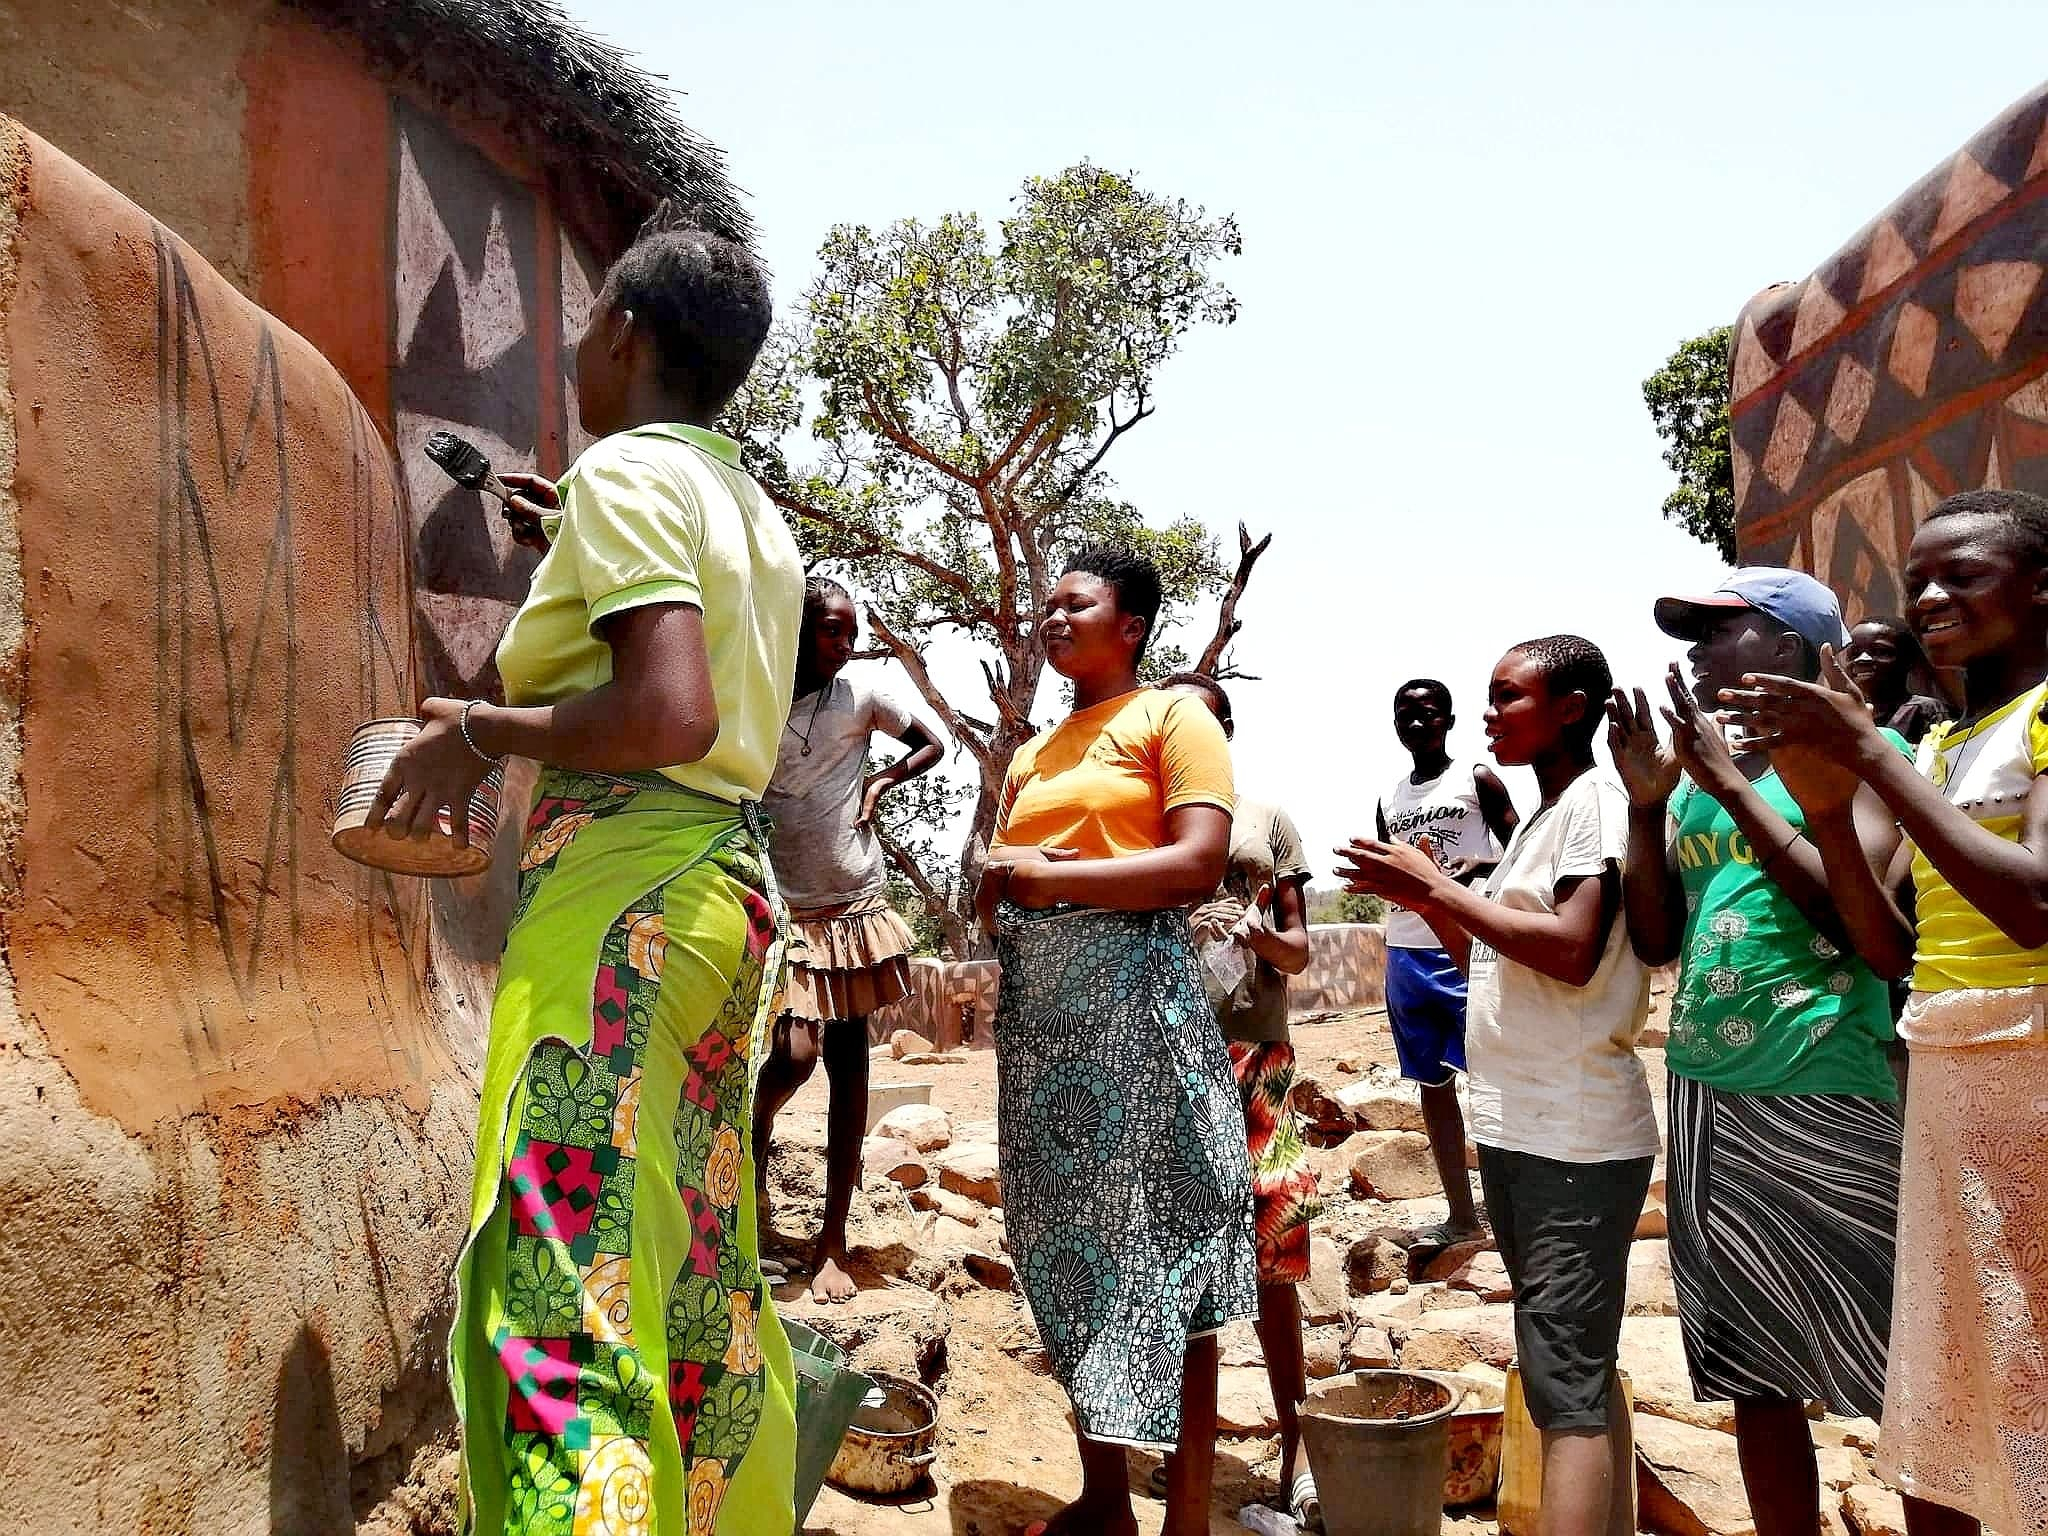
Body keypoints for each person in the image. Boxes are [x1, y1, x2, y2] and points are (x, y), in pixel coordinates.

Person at [368, 215, 804, 1536]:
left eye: (587, 318)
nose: (570, 344)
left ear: (622, 331)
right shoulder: (746, 508)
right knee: (695, 1285)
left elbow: (664, 710)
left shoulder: (627, 481)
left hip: (621, 897)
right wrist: (574, 550)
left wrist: (479, 732)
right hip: (720, 894)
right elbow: (700, 690)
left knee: (569, 1283)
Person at [1723, 487, 2048, 1536]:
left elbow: (2033, 901)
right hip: (1946, 1070)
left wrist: (1868, 758)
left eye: (1963, 573)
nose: (1928, 594)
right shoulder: (1944, 744)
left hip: (2027, 1067)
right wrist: (1819, 798)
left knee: (2026, 1366)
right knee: (1946, 1388)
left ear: (2041, 588)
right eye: (1916, 577)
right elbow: (1876, 941)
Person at [1608, 570, 1922, 1536]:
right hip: (1709, 1088)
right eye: (1693, 636)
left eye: (1722, 632)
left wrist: (1735, 787)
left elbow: (1851, 905)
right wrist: (1653, 805)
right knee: (1752, 1368)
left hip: (1830, 1078)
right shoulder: (1705, 774)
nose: (1698, 652)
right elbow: (1660, 942)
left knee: (1897, 1369)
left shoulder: (1870, 755)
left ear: (1789, 648)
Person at [1338, 635, 1653, 1536]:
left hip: (1574, 1132)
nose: (1488, 715)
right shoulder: (1547, 818)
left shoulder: (1591, 803)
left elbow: (1571, 951)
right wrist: (1433, 898)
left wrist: (1439, 885)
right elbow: (1493, 961)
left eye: (1507, 697)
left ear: (1573, 708)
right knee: (1567, 1365)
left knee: (1566, 1388)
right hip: (1526, 1124)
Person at [978, 547, 1256, 1536]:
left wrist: (1051, 879)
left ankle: (1182, 1519)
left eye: (1075, 603)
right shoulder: (1033, 752)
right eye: (1045, 605)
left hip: (1141, 1023)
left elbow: (1196, 863)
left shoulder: (1171, 717)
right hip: (1045, 1030)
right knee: (1069, 1261)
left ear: (1129, 626)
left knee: (1172, 1262)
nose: (1052, 617)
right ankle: (1103, 1500)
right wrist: (1003, 883)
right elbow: (999, 882)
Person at [753, 575, 942, 1304]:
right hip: (782, 911)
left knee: (850, 1068)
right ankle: (753, 1151)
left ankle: (833, 1236)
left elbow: (934, 741)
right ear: (796, 629)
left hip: (855, 907)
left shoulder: (863, 695)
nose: (847, 643)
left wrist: (885, 780)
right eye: (832, 630)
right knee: (791, 1056)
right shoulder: (758, 695)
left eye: (850, 630)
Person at [1164, 671, 1323, 1530]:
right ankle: (1180, 1453)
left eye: (1212, 720)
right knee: (1178, 1259)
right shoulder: (1138, 817)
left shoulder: (1268, 824)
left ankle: (1298, 1455)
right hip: (1162, 1058)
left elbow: (1296, 950)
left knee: (1273, 1256)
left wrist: (1256, 934)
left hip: (1256, 1056)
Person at [1376, 679, 1518, 1245]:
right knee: (1432, 1084)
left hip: (1465, 944)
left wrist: (1477, 867)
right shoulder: (1389, 797)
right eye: (1403, 714)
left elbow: (1521, 847)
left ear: (1448, 721)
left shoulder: (1476, 778)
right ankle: (1462, 1214)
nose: (1415, 724)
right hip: (1406, 949)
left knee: (1489, 1077)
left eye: (1427, 714)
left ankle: (1507, 1211)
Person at [1844, 615, 1951, 745]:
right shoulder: (1845, 716)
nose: (1863, 659)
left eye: (1880, 651)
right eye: (1854, 653)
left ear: (1908, 660)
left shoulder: (1923, 711)